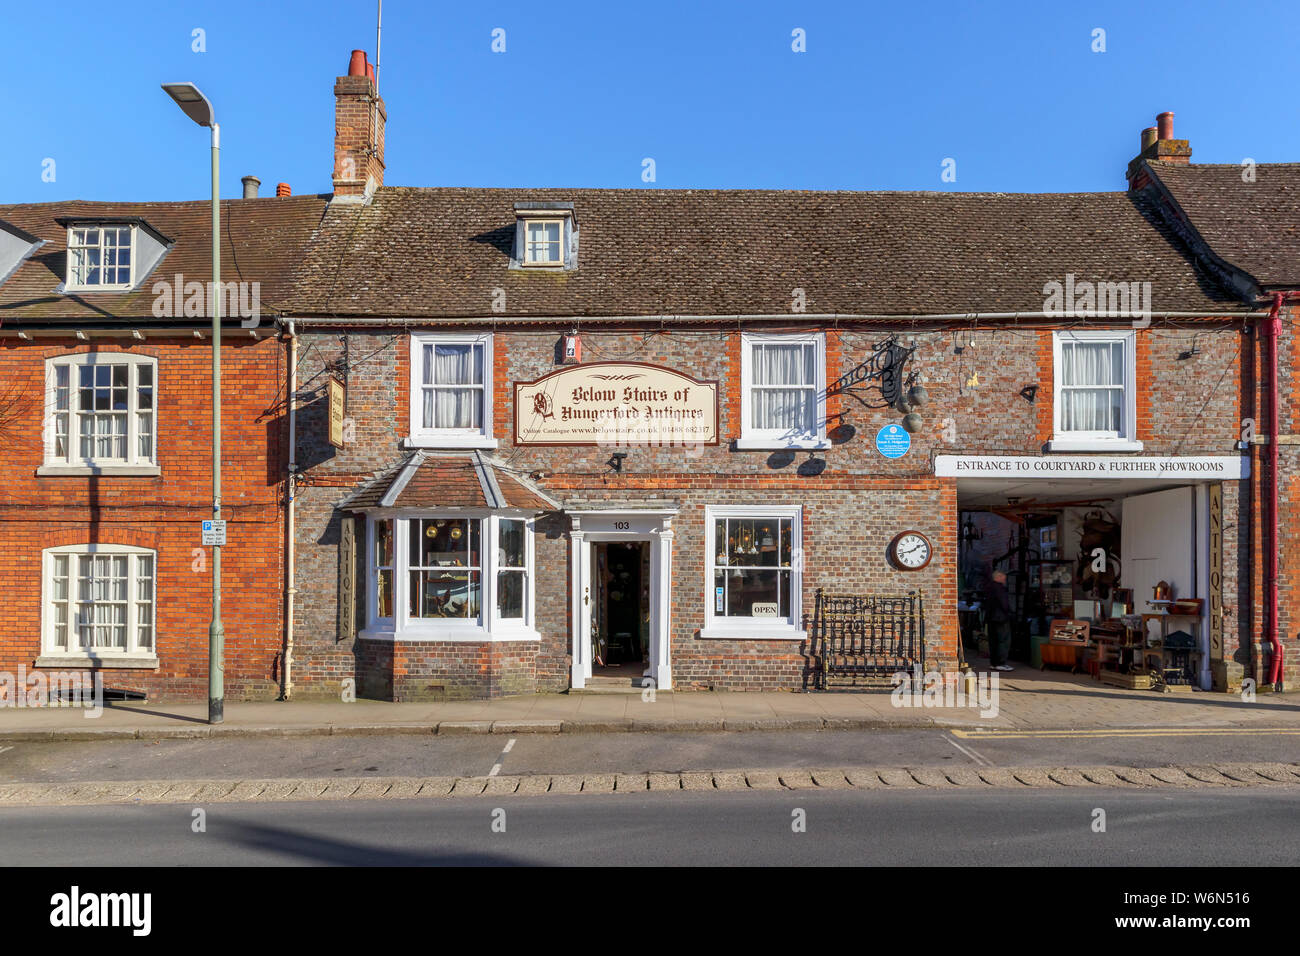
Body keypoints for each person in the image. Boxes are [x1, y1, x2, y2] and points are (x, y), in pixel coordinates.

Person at [985, 570, 1014, 671]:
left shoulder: (989, 587)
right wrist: (1009, 612)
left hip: (991, 618)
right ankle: (1001, 662)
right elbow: (1004, 603)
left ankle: (994, 663)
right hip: (1001, 618)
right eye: (1003, 577)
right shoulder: (1000, 588)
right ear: (998, 577)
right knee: (1003, 640)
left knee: (993, 641)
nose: (1004, 580)